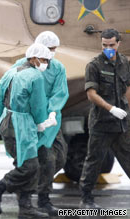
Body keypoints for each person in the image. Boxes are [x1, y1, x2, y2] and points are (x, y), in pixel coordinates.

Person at [0, 43, 55, 218]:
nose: (46, 64)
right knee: (30, 166)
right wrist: (41, 122)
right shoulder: (35, 77)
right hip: (22, 125)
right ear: (33, 59)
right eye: (44, 59)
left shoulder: (12, 71)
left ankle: (25, 207)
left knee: (24, 163)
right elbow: (38, 106)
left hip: (6, 122)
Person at [12, 31, 69, 215]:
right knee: (32, 160)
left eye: (54, 49)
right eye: (50, 49)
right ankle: (32, 200)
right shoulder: (21, 67)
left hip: (51, 121)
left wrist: (52, 112)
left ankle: (38, 189)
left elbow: (60, 92)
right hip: (29, 121)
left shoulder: (58, 68)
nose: (52, 52)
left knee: (58, 157)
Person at [79, 28, 130, 209]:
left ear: (118, 44)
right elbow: (91, 94)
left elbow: (128, 88)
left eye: (111, 45)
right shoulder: (94, 65)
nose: (108, 48)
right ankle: (86, 199)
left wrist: (126, 109)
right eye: (104, 45)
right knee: (94, 161)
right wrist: (111, 108)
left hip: (121, 123)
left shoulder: (125, 63)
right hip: (101, 122)